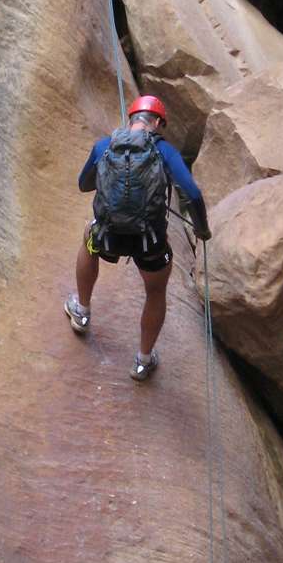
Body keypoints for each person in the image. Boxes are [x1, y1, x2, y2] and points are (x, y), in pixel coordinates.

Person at [65, 94, 210, 381]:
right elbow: (192, 194)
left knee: (88, 239)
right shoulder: (165, 152)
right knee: (155, 291)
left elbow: (84, 184)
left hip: (107, 236)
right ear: (157, 123)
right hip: (149, 243)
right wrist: (201, 229)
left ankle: (81, 311)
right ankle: (143, 361)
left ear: (131, 119)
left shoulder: (105, 146)